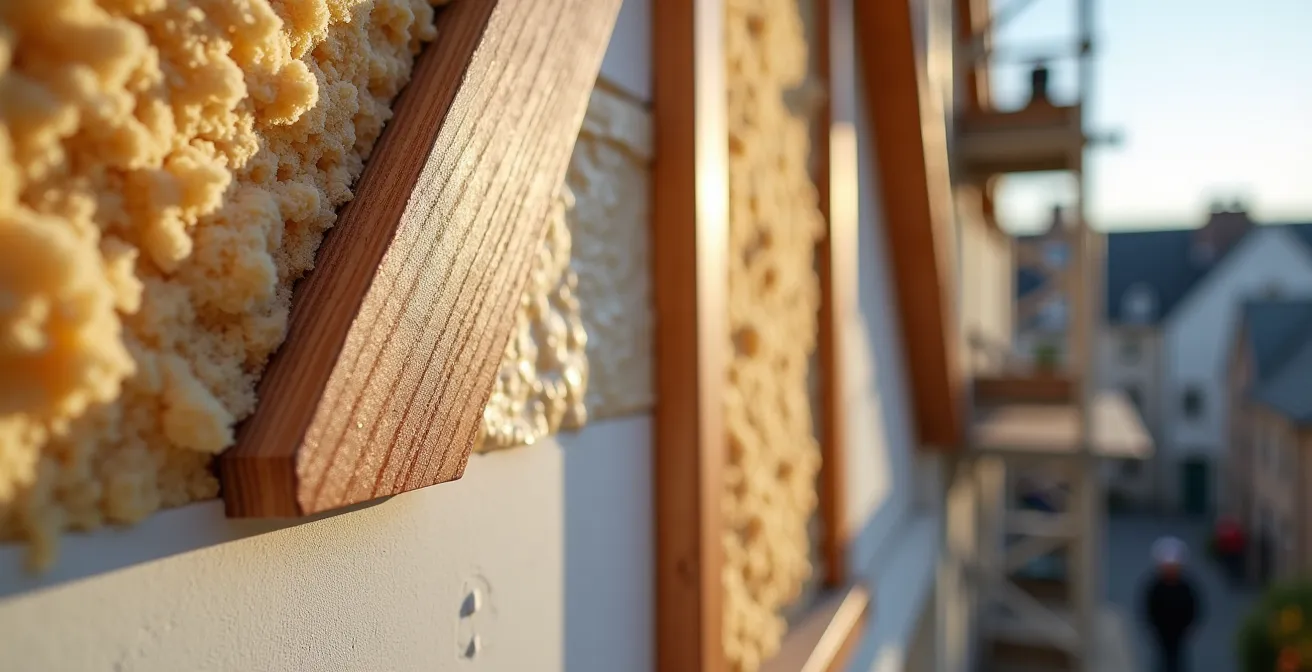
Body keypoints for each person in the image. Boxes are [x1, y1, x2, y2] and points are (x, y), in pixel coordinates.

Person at [1141, 536, 1203, 672]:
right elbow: (1148, 608)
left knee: (1178, 661)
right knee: (1162, 661)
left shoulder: (1185, 587)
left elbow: (1195, 607)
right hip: (1161, 632)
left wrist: (1191, 627)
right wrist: (1151, 627)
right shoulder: (1155, 587)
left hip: (1180, 632)